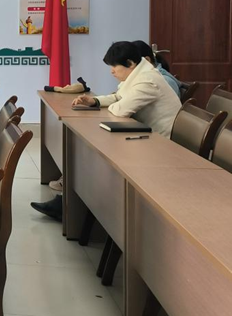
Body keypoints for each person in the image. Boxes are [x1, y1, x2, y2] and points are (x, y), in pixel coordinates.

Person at [31, 41, 182, 220]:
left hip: (160, 147)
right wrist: (94, 101)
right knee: (91, 154)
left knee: (97, 158)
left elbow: (121, 109)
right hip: (145, 136)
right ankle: (68, 205)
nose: (112, 71)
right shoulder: (140, 74)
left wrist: (114, 104)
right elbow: (119, 97)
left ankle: (72, 209)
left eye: (114, 67)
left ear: (130, 63)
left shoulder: (148, 81)